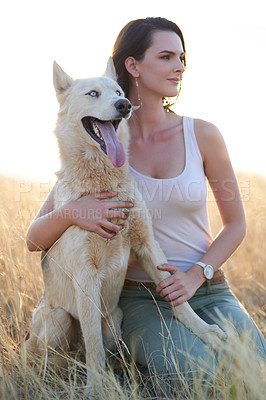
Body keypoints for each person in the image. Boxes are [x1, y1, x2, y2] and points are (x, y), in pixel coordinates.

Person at [26, 17, 265, 382]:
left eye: (182, 57)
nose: (180, 67)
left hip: (208, 289)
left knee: (256, 369)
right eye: (167, 56)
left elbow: (236, 224)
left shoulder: (202, 133)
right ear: (133, 66)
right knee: (201, 374)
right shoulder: (98, 136)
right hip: (141, 299)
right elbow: (35, 237)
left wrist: (195, 276)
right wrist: (74, 211)